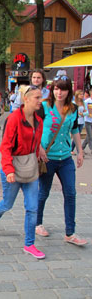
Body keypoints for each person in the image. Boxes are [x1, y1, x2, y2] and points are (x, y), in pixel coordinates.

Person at [0, 85, 45, 259]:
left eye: (41, 97)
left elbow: (35, 142)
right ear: (26, 99)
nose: (40, 101)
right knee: (7, 204)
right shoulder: (14, 119)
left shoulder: (39, 120)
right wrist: (9, 170)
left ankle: (29, 244)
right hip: (12, 168)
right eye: (37, 98)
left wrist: (39, 151)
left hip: (30, 169)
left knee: (32, 208)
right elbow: (5, 147)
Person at [35, 75, 87, 246]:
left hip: (65, 158)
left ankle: (70, 233)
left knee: (71, 193)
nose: (59, 92)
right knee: (43, 192)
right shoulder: (44, 106)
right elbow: (34, 128)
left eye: (63, 89)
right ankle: (38, 223)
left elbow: (75, 131)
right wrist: (39, 148)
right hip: (47, 158)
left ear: (68, 91)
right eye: (56, 88)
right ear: (52, 90)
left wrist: (79, 151)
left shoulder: (72, 108)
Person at [72, 90, 87, 154]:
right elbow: (73, 112)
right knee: (76, 135)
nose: (82, 96)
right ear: (77, 95)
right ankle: (79, 151)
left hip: (81, 122)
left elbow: (87, 112)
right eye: (81, 94)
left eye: (82, 94)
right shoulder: (73, 103)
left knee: (78, 136)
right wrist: (79, 114)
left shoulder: (84, 103)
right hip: (76, 121)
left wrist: (82, 114)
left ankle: (71, 149)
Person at [82, 89, 92, 154]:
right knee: (90, 136)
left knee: (88, 136)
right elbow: (84, 110)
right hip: (87, 121)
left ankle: (82, 147)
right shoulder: (87, 101)